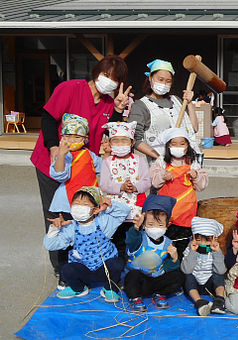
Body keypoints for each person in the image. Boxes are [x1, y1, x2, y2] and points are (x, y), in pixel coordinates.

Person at [32, 55, 130, 284]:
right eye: (106, 75)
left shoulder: (108, 102)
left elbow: (106, 131)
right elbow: (48, 117)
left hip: (84, 167)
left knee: (82, 213)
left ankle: (82, 262)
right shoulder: (70, 88)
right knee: (58, 214)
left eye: (114, 79)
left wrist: (117, 110)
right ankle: (61, 268)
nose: (109, 82)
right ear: (97, 71)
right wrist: (53, 147)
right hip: (54, 161)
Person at [43, 186, 130, 302]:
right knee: (67, 269)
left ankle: (109, 289)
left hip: (104, 269)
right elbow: (50, 245)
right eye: (76, 203)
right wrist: (54, 229)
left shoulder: (104, 222)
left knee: (117, 263)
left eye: (84, 204)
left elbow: (124, 211)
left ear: (95, 209)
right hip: (83, 269)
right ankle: (79, 288)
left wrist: (109, 205)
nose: (79, 207)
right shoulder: (71, 227)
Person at [150, 128, 209, 258]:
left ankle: (182, 267)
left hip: (186, 211)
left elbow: (202, 185)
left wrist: (196, 176)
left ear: (187, 146)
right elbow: (154, 182)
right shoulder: (161, 162)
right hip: (166, 210)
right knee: (165, 242)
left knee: (183, 243)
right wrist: (162, 176)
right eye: (174, 144)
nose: (178, 147)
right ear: (168, 146)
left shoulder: (192, 163)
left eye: (182, 143)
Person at [128, 59, 201, 162]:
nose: (164, 84)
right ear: (150, 78)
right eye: (160, 79)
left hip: (189, 162)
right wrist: (159, 157)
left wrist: (189, 103)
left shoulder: (177, 100)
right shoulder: (140, 106)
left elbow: (194, 128)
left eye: (168, 81)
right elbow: (134, 139)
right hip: (162, 166)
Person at [100, 121, 151, 263]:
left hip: (135, 210)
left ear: (132, 142)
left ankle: (133, 268)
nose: (120, 144)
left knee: (134, 241)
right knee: (117, 242)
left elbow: (147, 181)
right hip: (115, 211)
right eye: (116, 141)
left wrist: (135, 187)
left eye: (124, 140)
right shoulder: (107, 161)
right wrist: (120, 187)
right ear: (110, 143)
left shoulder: (140, 160)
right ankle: (118, 271)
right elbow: (104, 184)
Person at [124, 195, 184, 312]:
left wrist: (174, 258)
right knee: (132, 276)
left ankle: (160, 294)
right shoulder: (139, 238)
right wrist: (136, 227)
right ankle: (135, 298)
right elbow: (130, 242)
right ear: (144, 223)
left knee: (178, 276)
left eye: (160, 225)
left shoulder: (168, 243)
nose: (155, 228)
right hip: (139, 281)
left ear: (168, 225)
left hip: (156, 281)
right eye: (151, 224)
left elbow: (168, 267)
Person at [48, 114, 102, 216]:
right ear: (62, 137)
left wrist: (107, 152)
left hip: (88, 200)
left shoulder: (89, 154)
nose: (72, 140)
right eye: (67, 136)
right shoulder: (63, 155)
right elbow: (60, 175)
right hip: (66, 204)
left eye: (77, 137)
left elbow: (104, 168)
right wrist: (61, 155)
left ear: (85, 138)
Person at [181, 217, 227, 316]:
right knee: (188, 276)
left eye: (207, 240)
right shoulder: (190, 250)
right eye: (199, 240)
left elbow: (221, 271)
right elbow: (186, 270)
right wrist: (193, 252)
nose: (203, 244)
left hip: (210, 284)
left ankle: (219, 300)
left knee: (219, 275)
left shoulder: (215, 251)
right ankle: (199, 302)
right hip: (195, 285)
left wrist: (217, 252)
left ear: (215, 238)